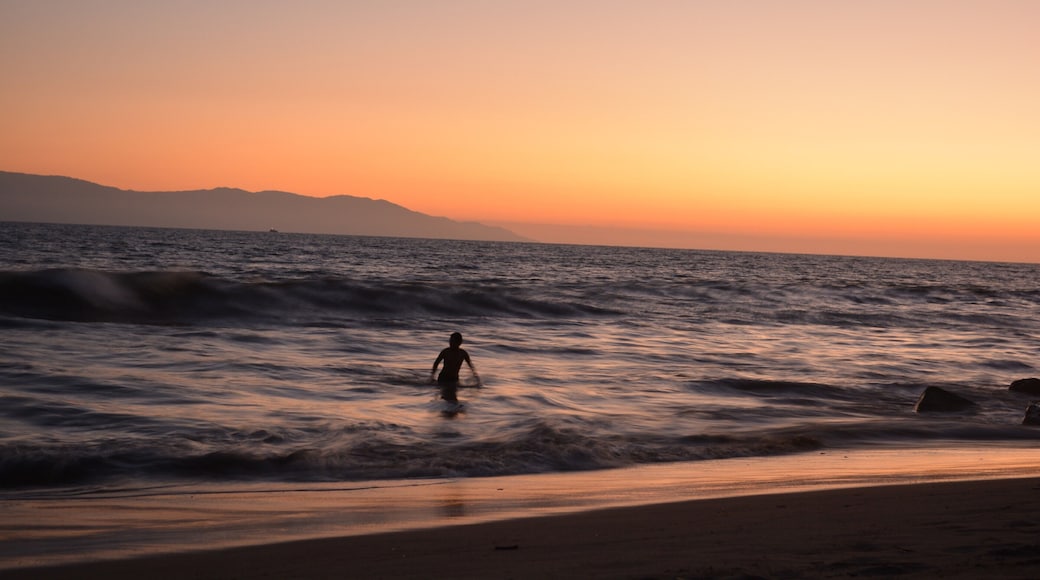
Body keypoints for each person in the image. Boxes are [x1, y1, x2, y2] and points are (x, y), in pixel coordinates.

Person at [430, 332, 479, 401]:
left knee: (453, 398)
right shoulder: (445, 351)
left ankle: (452, 409)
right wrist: (432, 376)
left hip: (454, 379)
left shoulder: (463, 353)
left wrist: (475, 376)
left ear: (459, 342)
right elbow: (436, 363)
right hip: (443, 378)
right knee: (445, 396)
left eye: (452, 341)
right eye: (450, 341)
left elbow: (470, 365)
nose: (450, 343)